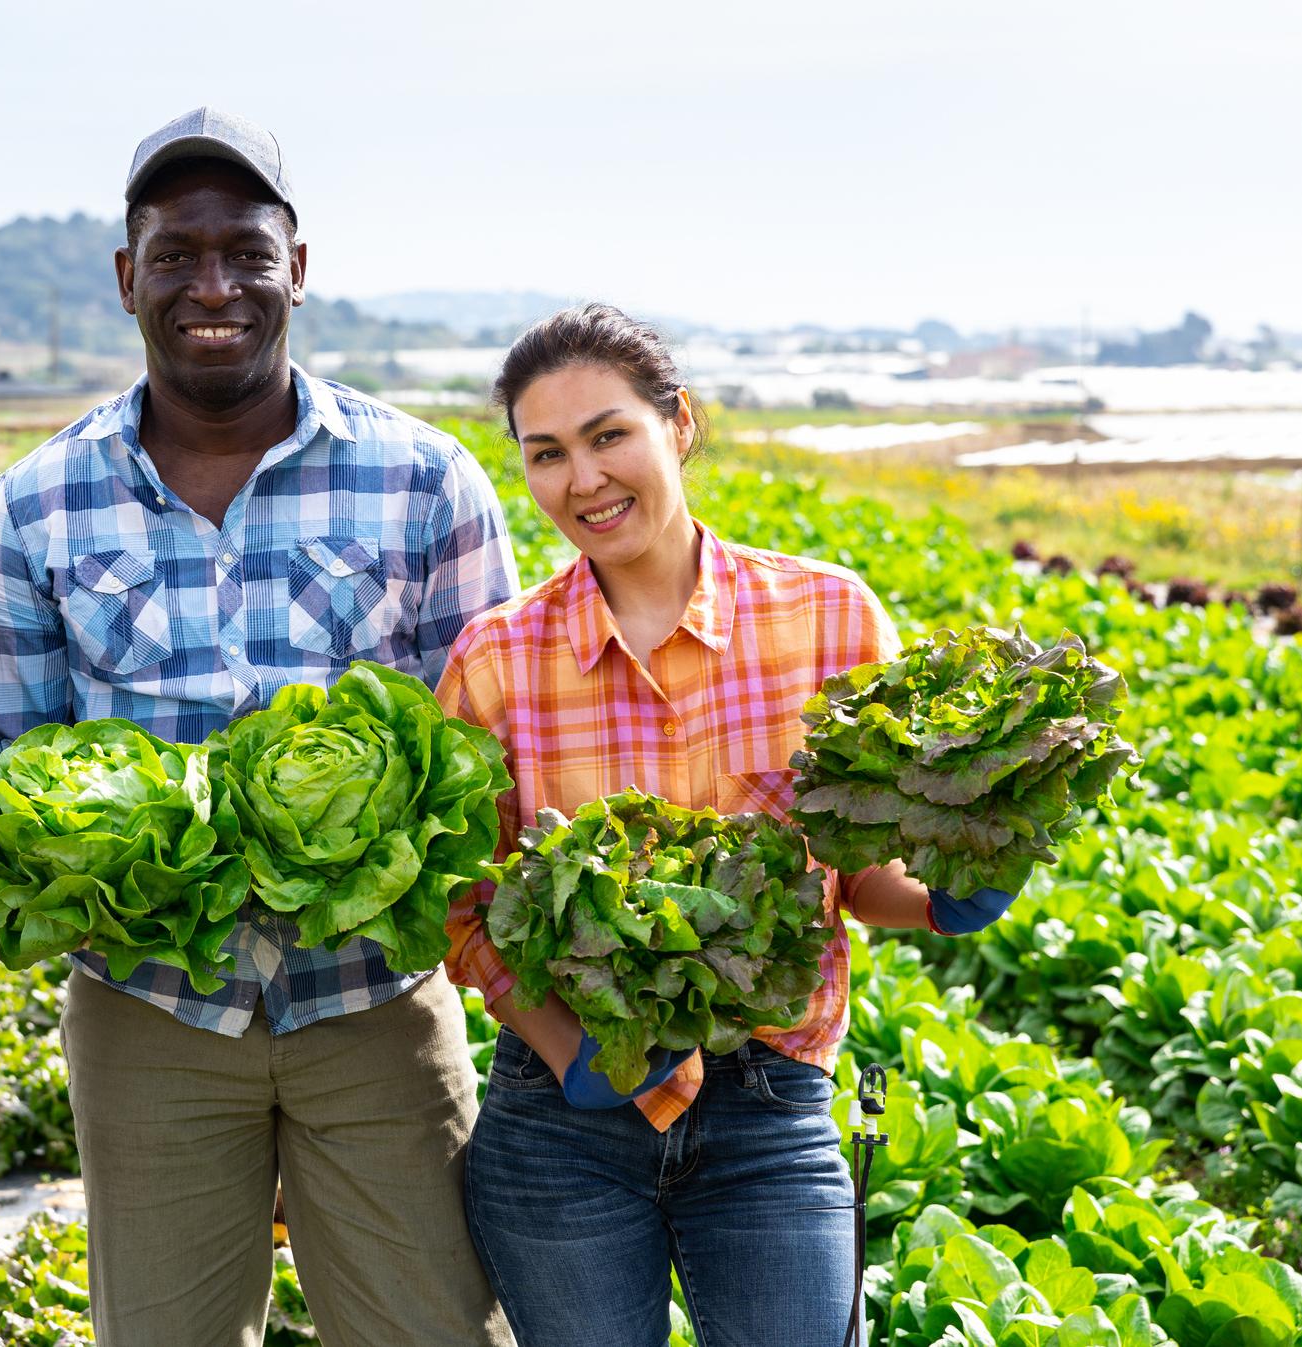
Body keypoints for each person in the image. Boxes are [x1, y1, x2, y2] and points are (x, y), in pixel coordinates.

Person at [0, 107, 520, 1347]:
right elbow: (8, 763)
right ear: (127, 279)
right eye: (174, 255)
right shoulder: (36, 502)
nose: (210, 285)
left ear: (297, 269)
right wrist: (93, 865)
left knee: (435, 1329)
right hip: (150, 1014)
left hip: (374, 1000)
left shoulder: (424, 477)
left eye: (244, 253)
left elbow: (492, 756)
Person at [436, 303, 1019, 1347]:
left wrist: (940, 900)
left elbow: (860, 877)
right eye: (546, 453)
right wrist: (567, 1043)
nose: (583, 479)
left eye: (609, 434)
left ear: (678, 424)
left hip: (768, 1105)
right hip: (560, 1126)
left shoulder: (828, 618)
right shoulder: (495, 660)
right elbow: (462, 907)